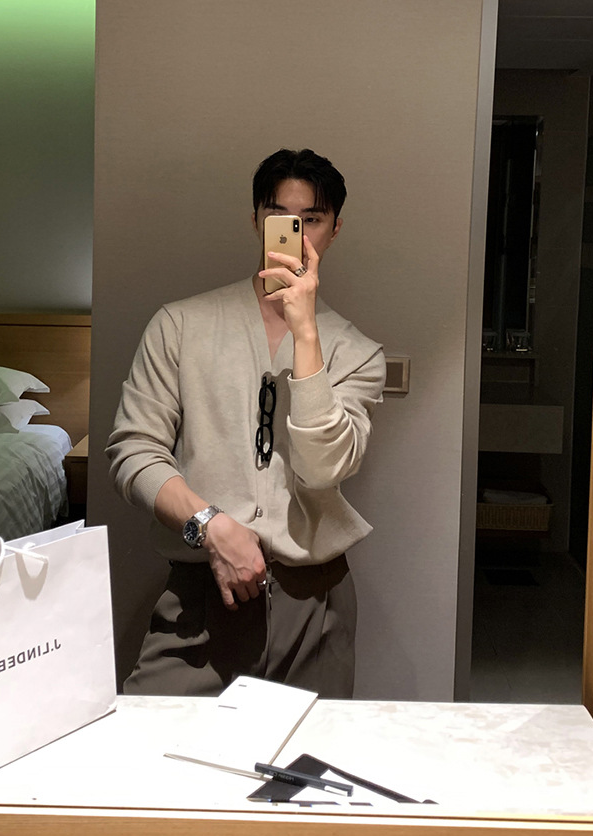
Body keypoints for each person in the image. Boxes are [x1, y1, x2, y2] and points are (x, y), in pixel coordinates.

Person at [106, 147, 386, 697]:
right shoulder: (180, 325)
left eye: (312, 220)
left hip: (314, 603)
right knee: (153, 741)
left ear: (334, 230)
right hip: (202, 588)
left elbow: (323, 469)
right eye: (281, 217)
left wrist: (306, 334)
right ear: (256, 220)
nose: (296, 235)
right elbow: (134, 450)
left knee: (306, 750)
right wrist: (209, 525)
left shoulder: (357, 352)